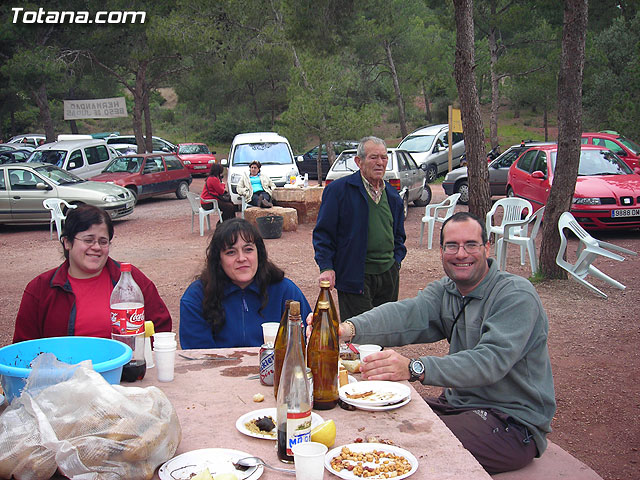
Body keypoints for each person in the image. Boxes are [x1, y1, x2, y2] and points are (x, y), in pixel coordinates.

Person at [317, 212, 555, 474]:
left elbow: (490, 361)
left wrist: (416, 367)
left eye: (471, 244)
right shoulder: (448, 290)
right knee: (376, 420)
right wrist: (345, 329)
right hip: (458, 406)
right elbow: (405, 315)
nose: (461, 253)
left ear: (487, 248)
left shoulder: (515, 295)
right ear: (441, 251)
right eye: (452, 245)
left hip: (511, 421)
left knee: (412, 446)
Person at [13, 204, 172, 343]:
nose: (96, 247)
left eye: (103, 241)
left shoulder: (130, 280)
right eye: (89, 240)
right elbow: (24, 347)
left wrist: (138, 358)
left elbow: (161, 326)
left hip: (121, 373)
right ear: (67, 242)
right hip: (63, 375)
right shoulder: (41, 288)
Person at [313, 136, 406, 321]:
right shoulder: (340, 191)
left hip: (388, 276)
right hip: (355, 276)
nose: (380, 163)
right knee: (358, 335)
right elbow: (323, 233)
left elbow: (398, 237)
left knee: (384, 331)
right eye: (373, 157)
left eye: (384, 157)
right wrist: (326, 267)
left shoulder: (393, 196)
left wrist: (396, 262)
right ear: (359, 161)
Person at [179, 218, 310, 349]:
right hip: (216, 369)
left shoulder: (286, 292)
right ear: (218, 260)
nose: (242, 258)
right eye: (231, 252)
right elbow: (197, 356)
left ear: (259, 253)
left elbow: (304, 345)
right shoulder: (196, 297)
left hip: (278, 368)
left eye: (248, 249)